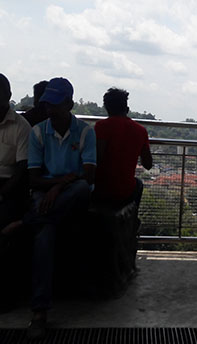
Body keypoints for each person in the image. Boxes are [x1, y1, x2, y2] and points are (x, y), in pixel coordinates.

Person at [23, 77, 96, 340]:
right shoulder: (38, 132)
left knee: (77, 190)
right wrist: (59, 183)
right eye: (47, 104)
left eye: (54, 104)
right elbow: (32, 178)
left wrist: (56, 187)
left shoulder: (86, 132)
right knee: (45, 233)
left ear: (69, 104)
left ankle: (26, 221)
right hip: (49, 192)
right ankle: (39, 312)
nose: (49, 110)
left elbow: (89, 177)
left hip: (72, 194)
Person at [0, 73, 31, 313]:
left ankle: (7, 295)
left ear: (8, 97)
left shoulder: (21, 127)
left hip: (9, 187)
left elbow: (22, 170)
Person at [93, 87, 152, 206]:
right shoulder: (140, 131)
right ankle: (131, 220)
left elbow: (96, 159)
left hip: (101, 190)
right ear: (127, 109)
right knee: (138, 184)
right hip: (125, 191)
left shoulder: (100, 127)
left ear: (107, 108)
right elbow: (148, 164)